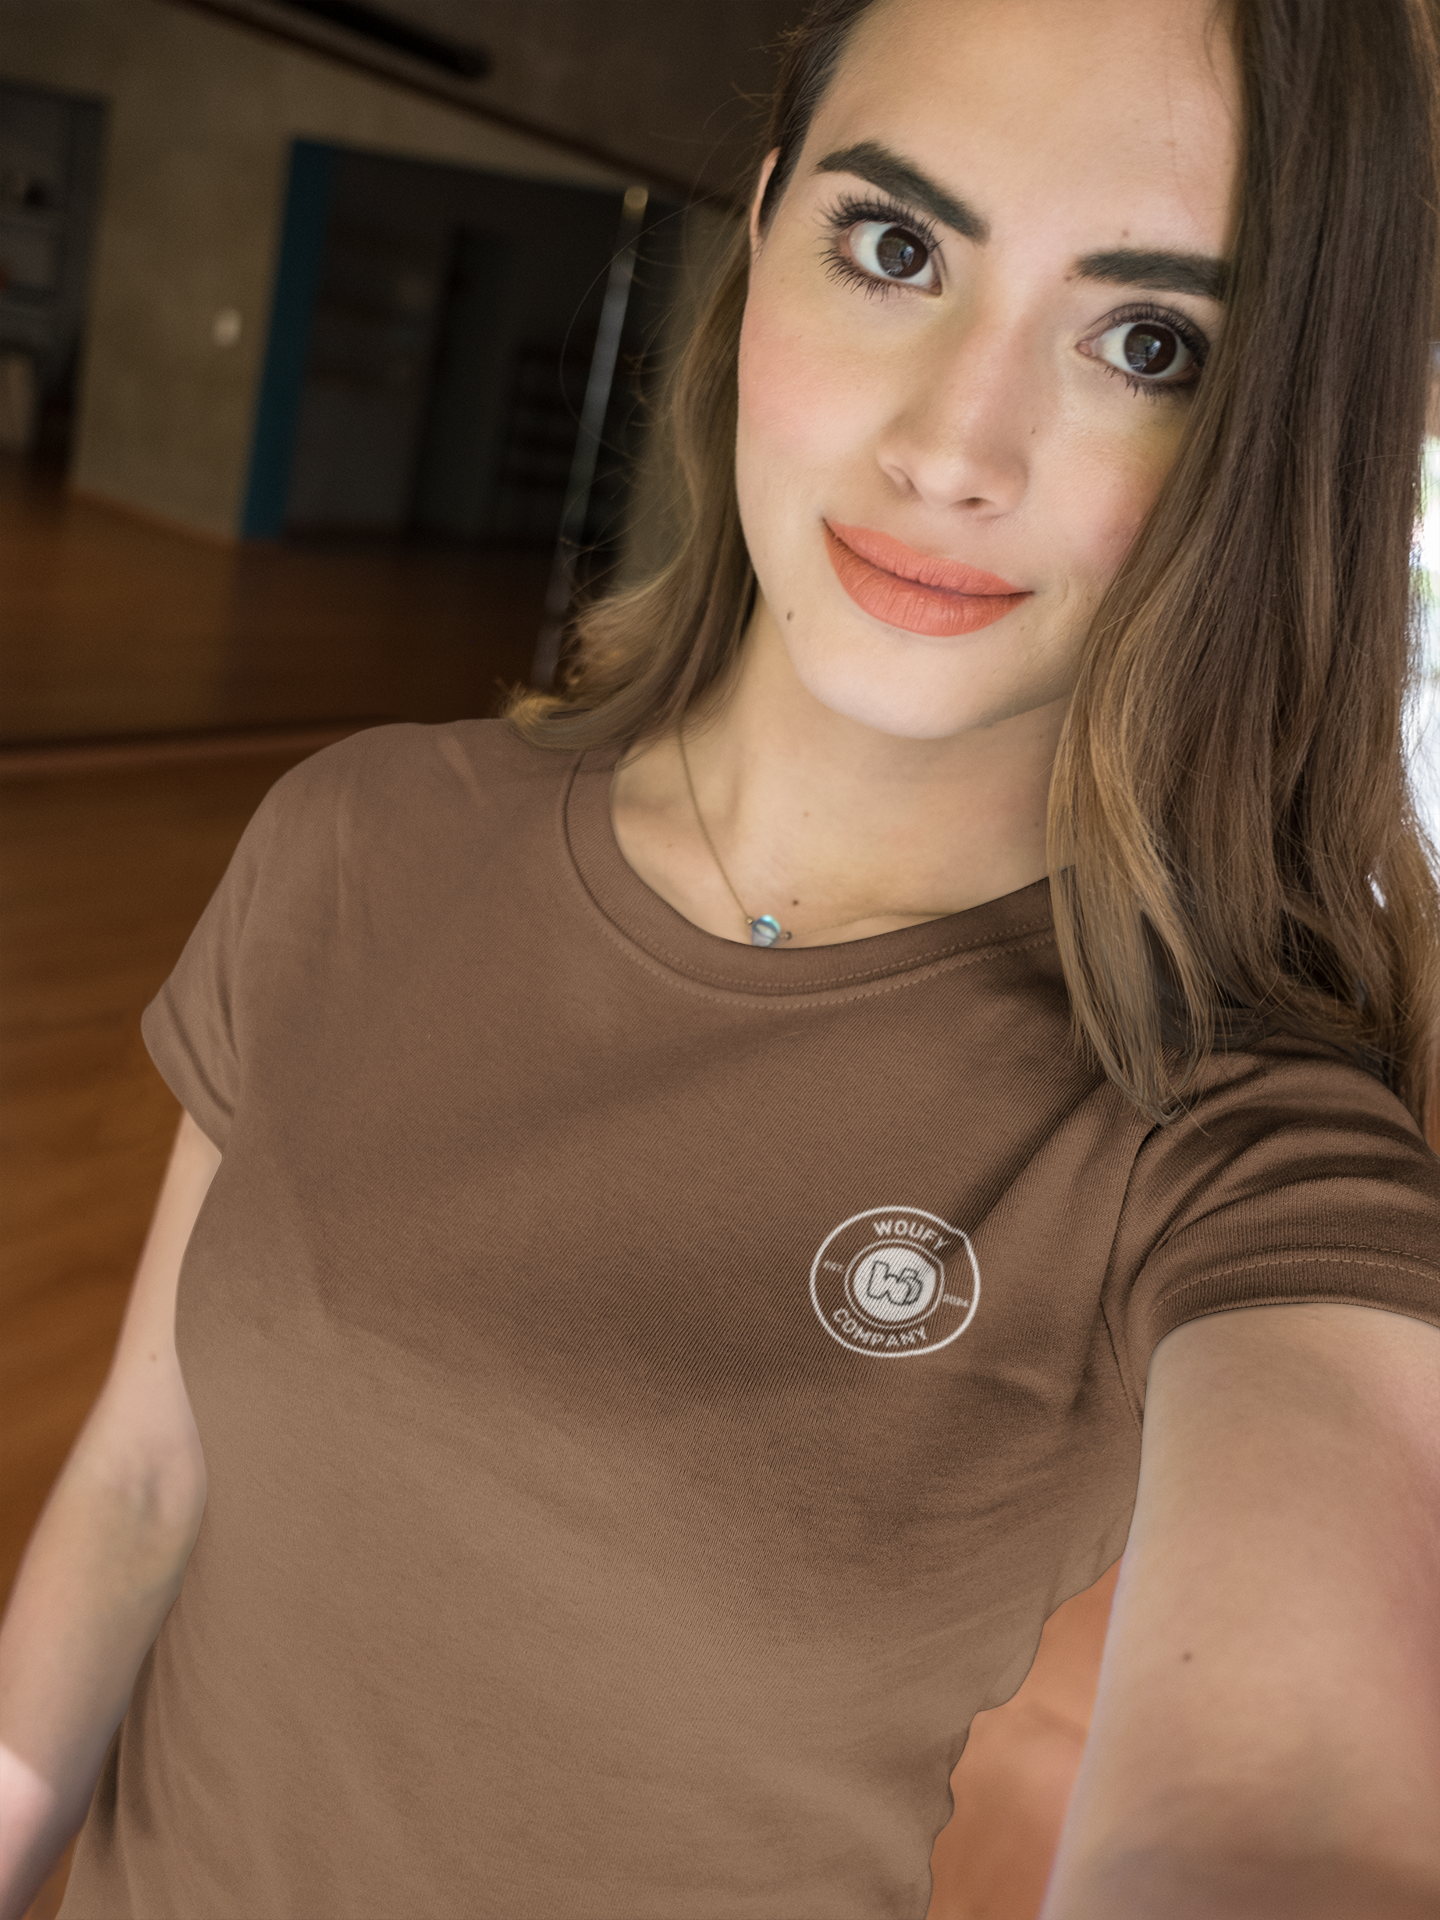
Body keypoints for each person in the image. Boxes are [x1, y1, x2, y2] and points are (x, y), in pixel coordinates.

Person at [3, 0, 1440, 1913]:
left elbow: (1296, 1812)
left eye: (1150, 342)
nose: (951, 446)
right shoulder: (357, 835)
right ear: (762, 235)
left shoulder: (1226, 1138)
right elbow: (143, 1479)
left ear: (1274, 441)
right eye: (897, 245)